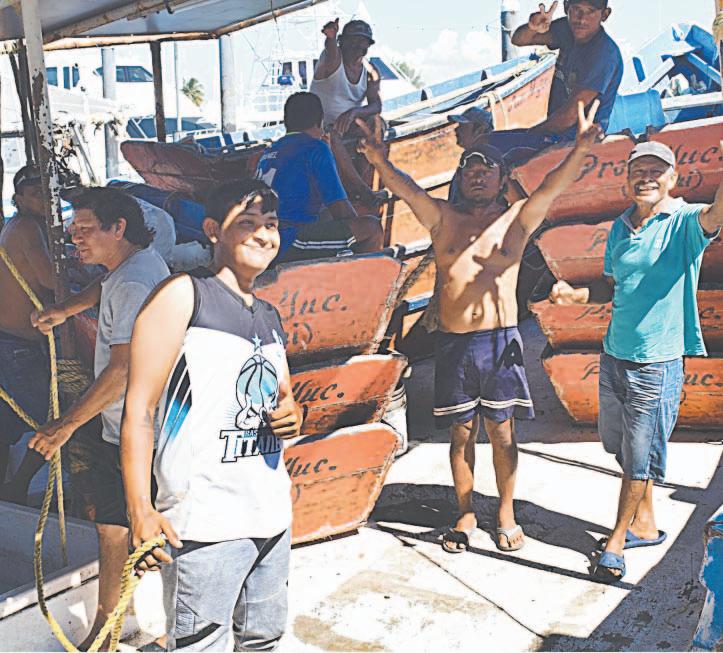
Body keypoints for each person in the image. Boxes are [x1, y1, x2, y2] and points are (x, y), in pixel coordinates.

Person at [356, 101, 603, 553]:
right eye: (469, 168)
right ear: (460, 178)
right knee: (461, 433)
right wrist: (378, 159)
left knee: (503, 432)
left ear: (502, 179)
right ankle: (465, 511)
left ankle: (506, 511)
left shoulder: (516, 220)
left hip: (499, 342)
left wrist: (581, 148)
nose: (477, 175)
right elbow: (407, 190)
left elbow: (551, 187)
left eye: (487, 169)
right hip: (453, 344)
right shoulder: (442, 218)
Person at [120, 180, 303, 651]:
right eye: (248, 222)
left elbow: (283, 398)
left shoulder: (269, 316)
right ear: (212, 229)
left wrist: (293, 414)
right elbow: (139, 409)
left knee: (263, 639)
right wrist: (141, 510)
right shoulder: (183, 295)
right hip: (204, 523)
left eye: (271, 224)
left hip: (271, 514)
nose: (263, 234)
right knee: (202, 644)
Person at [549, 141, 723, 582]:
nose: (646, 178)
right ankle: (645, 525)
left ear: (673, 179)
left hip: (656, 364)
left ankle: (615, 543)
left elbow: (715, 216)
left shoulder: (684, 222)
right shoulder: (621, 226)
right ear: (627, 179)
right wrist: (576, 295)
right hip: (614, 356)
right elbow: (612, 286)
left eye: (656, 170)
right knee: (620, 448)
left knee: (639, 460)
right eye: (638, 170)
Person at [28, 187, 169, 649]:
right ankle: (107, 632)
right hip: (124, 428)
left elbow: (123, 370)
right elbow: (104, 287)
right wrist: (64, 310)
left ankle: (132, 632)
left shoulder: (131, 284)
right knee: (112, 528)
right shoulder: (134, 265)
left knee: (133, 531)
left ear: (118, 227)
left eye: (85, 229)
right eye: (74, 231)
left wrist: (64, 426)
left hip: (140, 433)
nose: (76, 239)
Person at [478, 0, 622, 164]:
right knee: (484, 144)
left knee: (487, 146)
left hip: (578, 141)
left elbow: (569, 116)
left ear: (605, 15)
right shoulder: (567, 30)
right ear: (566, 8)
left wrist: (527, 136)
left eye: (590, 11)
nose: (582, 19)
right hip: (553, 134)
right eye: (576, 9)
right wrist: (533, 28)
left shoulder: (604, 54)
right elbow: (519, 39)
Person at [256, 92, 383, 262]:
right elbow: (343, 212)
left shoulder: (269, 152)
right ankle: (362, 279)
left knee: (326, 216)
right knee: (371, 228)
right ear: (320, 122)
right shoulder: (315, 148)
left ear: (287, 122)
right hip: (288, 240)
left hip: (264, 237)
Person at [0, 166, 54, 500]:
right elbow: (50, 280)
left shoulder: (15, 227)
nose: (43, 200)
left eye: (47, 193)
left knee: (6, 425)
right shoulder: (26, 228)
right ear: (18, 199)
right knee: (55, 422)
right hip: (18, 347)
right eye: (35, 194)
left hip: (8, 342)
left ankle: (8, 491)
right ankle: (18, 487)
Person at [310, 18, 388, 207]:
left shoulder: (370, 72)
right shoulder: (332, 61)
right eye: (353, 40)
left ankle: (359, 182)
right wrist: (330, 37)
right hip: (320, 128)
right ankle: (362, 191)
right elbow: (331, 50)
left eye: (363, 41)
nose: (358, 45)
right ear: (342, 42)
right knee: (331, 135)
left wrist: (354, 113)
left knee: (377, 123)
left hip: (348, 125)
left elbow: (376, 105)